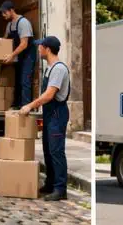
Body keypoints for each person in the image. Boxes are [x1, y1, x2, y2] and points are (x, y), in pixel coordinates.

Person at [20, 36, 70, 201]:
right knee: (48, 151)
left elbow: (49, 95)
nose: (38, 49)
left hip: (57, 113)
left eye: (40, 46)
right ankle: (50, 183)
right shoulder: (49, 68)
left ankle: (60, 189)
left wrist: (30, 105)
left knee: (56, 151)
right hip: (49, 114)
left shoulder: (58, 69)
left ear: (47, 48)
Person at [0, 0, 36, 110]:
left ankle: (26, 107)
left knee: (25, 81)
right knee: (18, 80)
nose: (3, 15)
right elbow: (5, 39)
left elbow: (24, 44)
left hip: (28, 55)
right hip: (18, 55)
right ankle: (17, 104)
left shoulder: (23, 22)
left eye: (4, 12)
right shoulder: (10, 24)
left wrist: (11, 55)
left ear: (11, 11)